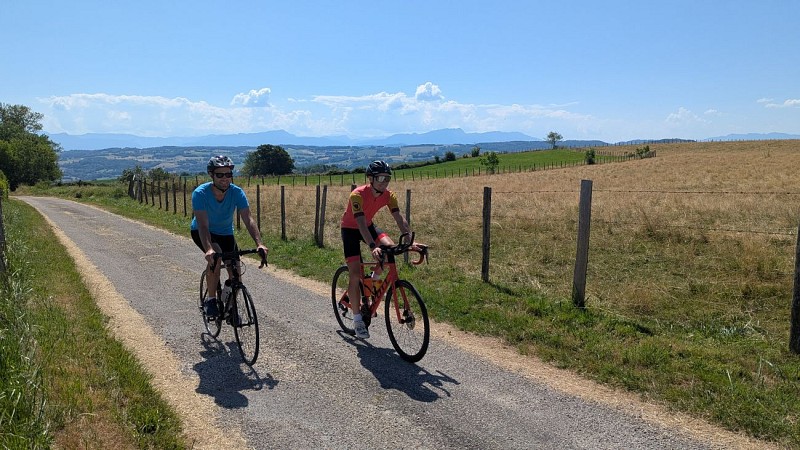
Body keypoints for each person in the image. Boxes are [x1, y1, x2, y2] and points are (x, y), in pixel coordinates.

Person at [340, 160, 421, 339]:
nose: (384, 182)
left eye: (387, 178)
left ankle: (372, 281)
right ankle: (358, 320)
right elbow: (359, 223)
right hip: (351, 230)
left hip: (368, 226)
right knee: (354, 274)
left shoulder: (389, 196)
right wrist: (372, 246)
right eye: (381, 178)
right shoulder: (357, 195)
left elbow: (399, 219)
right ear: (370, 179)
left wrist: (409, 241)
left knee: (389, 248)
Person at [191, 155, 269, 319]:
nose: (225, 178)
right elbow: (203, 226)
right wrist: (209, 249)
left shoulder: (236, 192)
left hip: (226, 232)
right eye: (220, 175)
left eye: (228, 174)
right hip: (203, 231)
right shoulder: (200, 193)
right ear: (211, 175)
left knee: (236, 274)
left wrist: (259, 243)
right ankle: (211, 300)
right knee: (216, 256)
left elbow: (248, 218)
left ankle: (230, 306)